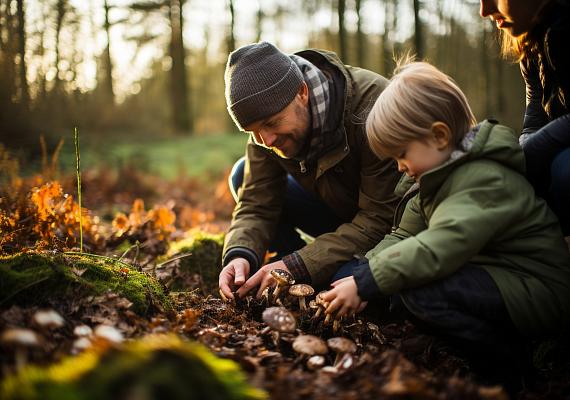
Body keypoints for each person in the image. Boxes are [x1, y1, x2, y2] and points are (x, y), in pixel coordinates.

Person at [323, 61, 570, 351]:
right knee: (396, 283)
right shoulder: (433, 179)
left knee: (419, 291)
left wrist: (368, 281)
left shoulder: (484, 178)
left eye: (402, 154)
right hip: (497, 278)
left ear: (439, 136)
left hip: (537, 290)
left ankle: (504, 362)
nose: (400, 167)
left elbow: (440, 245)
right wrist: (359, 270)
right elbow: (404, 236)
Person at [218, 42, 402, 300]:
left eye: (272, 123)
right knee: (242, 174)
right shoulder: (265, 129)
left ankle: (304, 271)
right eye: (253, 131)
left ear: (302, 92)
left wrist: (299, 265)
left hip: (386, 229)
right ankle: (289, 280)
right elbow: (257, 204)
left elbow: (381, 218)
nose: (266, 140)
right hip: (334, 212)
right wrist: (239, 253)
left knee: (344, 281)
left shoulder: (372, 109)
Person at [480, 0, 570, 237]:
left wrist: (531, 151)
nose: (484, 11)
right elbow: (536, 108)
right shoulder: (532, 42)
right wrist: (523, 147)